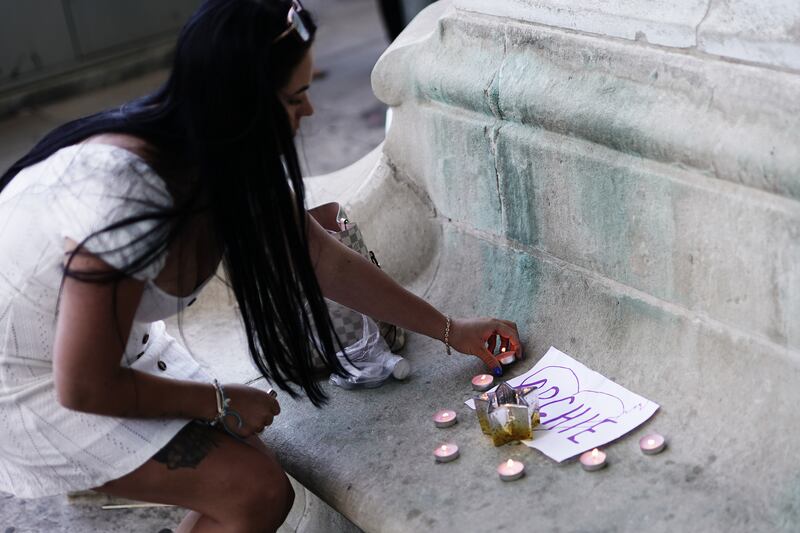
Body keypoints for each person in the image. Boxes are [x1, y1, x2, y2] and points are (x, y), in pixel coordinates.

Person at [0, 0, 522, 531]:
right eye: (295, 96)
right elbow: (84, 386)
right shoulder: (124, 200)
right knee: (255, 491)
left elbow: (320, 259)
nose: (310, 111)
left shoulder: (225, 154)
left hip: (109, 350)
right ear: (241, 104)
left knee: (250, 475)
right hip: (30, 386)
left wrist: (451, 330)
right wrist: (218, 401)